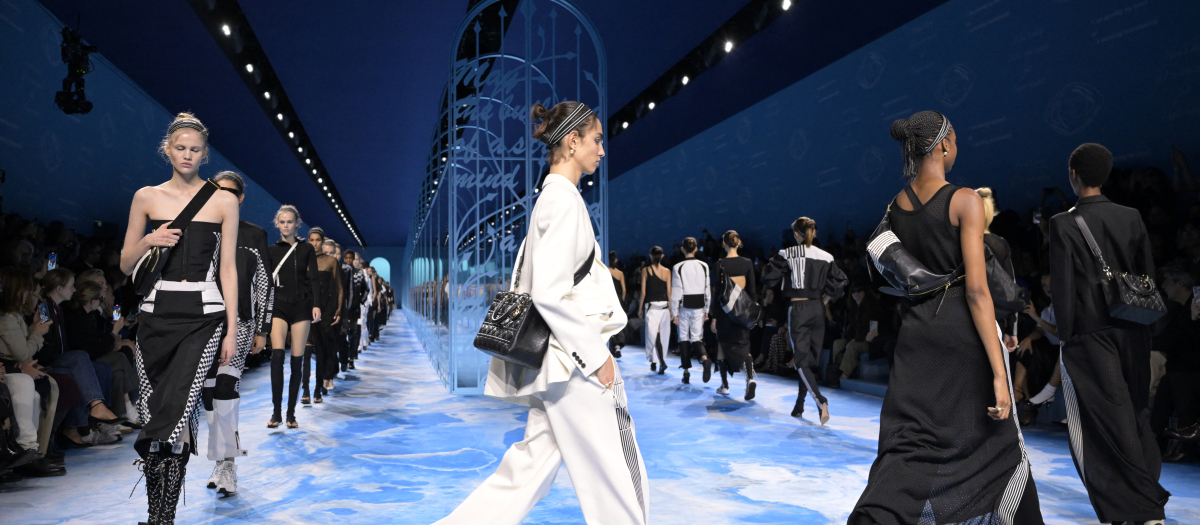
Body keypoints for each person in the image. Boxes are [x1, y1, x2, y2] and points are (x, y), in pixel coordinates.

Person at [437, 101, 647, 524]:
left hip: (557, 364)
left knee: (527, 471)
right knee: (620, 471)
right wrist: (597, 356)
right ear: (572, 142)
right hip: (575, 363)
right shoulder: (563, 201)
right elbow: (551, 294)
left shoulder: (551, 198)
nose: (602, 150)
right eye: (597, 139)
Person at [850, 111, 1042, 523]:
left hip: (916, 336)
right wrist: (998, 373)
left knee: (912, 443)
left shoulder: (896, 207)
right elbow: (976, 291)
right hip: (962, 336)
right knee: (999, 446)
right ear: (943, 146)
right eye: (955, 140)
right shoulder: (965, 200)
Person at [119, 112, 240, 525]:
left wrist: (233, 328)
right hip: (154, 318)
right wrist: (150, 238)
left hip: (203, 320)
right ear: (167, 150)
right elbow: (124, 263)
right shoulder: (146, 197)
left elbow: (228, 269)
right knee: (156, 417)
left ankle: (161, 519)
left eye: (195, 149)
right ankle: (158, 516)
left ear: (205, 154)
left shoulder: (222, 201)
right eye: (180, 147)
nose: (187, 154)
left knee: (176, 413)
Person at [1049, 143, 1170, 524]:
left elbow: (1063, 288)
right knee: (1134, 415)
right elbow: (1146, 275)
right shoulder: (1131, 216)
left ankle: (1143, 506)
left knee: (1104, 423)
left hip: (1090, 334)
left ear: (1074, 175)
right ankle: (1144, 498)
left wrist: (1065, 337)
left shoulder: (1063, 223)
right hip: (1134, 329)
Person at [203, 171, 273, 497]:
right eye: (218, 190)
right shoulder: (200, 230)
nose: (224, 195)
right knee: (206, 393)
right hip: (201, 325)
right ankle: (220, 457)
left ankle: (228, 463)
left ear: (241, 198)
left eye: (231, 192)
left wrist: (262, 328)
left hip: (240, 324)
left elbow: (263, 283)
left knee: (226, 387)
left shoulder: (254, 234)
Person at [763, 217, 846, 419]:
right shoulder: (826, 256)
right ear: (814, 233)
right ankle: (799, 406)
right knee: (806, 361)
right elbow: (842, 282)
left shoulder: (787, 254)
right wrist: (824, 299)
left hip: (799, 308)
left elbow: (767, 276)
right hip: (818, 309)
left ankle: (820, 401)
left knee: (801, 361)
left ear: (796, 234)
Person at [266, 205, 319, 429]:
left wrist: (316, 305)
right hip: (278, 305)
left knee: (297, 361)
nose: (286, 225)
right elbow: (265, 282)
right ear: (277, 224)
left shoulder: (306, 249)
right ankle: (276, 412)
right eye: (282, 222)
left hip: (302, 307)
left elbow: (315, 278)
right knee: (277, 359)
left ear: (297, 224)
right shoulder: (270, 251)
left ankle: (291, 413)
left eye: (290, 222)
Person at [710, 231, 759, 400]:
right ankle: (750, 378)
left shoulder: (720, 264)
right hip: (743, 312)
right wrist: (753, 314)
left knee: (722, 346)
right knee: (745, 346)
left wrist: (714, 317)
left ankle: (724, 385)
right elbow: (752, 291)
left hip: (725, 314)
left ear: (724, 243)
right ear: (738, 243)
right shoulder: (747, 263)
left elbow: (718, 294)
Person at [670, 237, 711, 384]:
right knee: (696, 338)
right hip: (699, 304)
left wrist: (674, 312)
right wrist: (707, 309)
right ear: (695, 249)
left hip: (684, 305)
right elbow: (707, 289)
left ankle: (686, 373)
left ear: (682, 249)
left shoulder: (678, 267)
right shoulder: (704, 266)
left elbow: (676, 291)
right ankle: (705, 358)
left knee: (684, 338)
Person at [825, 282, 877, 389]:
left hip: (870, 341)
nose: (856, 293)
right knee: (838, 343)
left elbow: (872, 328)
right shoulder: (853, 309)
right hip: (857, 338)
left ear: (865, 292)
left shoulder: (871, 308)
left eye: (859, 291)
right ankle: (836, 371)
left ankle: (844, 376)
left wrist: (858, 338)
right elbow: (852, 329)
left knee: (852, 345)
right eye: (853, 291)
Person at [639, 246, 671, 375]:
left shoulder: (646, 270)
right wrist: (673, 310)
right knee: (660, 335)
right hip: (664, 305)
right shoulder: (667, 271)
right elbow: (669, 292)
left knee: (653, 335)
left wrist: (640, 308)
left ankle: (661, 362)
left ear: (650, 255)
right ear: (662, 256)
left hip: (652, 305)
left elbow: (643, 291)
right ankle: (655, 362)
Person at [608, 251, 627, 359]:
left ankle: (613, 346)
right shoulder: (620, 273)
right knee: (618, 323)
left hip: (608, 300)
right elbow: (624, 290)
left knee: (609, 323)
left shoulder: (605, 271)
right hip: (618, 301)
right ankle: (618, 345)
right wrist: (621, 301)